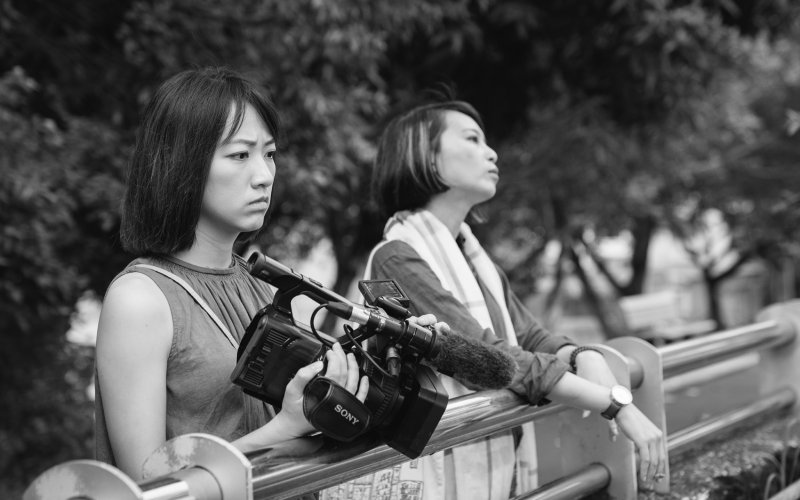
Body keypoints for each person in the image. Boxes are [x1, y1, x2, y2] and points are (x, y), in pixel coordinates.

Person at [328, 99, 667, 499]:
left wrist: (582, 355)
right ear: (427, 158)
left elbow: (533, 338)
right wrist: (615, 404)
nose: (491, 153)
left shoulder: (474, 258)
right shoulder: (397, 257)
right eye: (472, 139)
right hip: (429, 475)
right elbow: (487, 359)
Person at [93, 67, 374, 481]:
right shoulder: (140, 299)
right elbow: (149, 485)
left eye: (270, 154)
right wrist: (283, 428)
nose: (264, 176)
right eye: (240, 155)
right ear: (183, 164)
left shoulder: (262, 284)